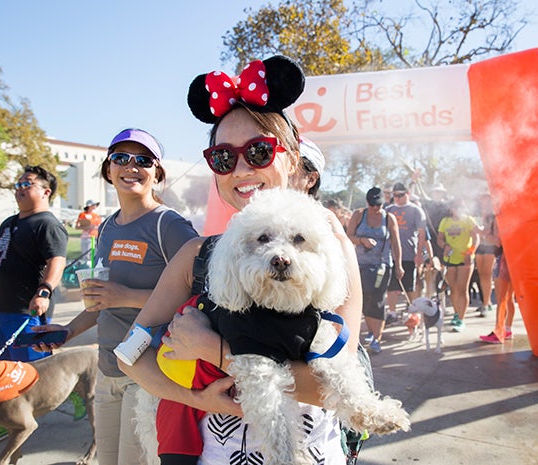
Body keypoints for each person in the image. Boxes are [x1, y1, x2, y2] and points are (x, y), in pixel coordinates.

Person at [119, 55, 362, 465]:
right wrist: (192, 396)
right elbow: (131, 355)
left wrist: (215, 350)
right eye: (224, 158)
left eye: (260, 151)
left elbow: (331, 385)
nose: (242, 169)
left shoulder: (330, 248)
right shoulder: (195, 255)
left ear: (292, 156)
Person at [34, 128, 199, 465]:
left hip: (151, 371)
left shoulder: (168, 225)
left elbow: (197, 297)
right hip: (107, 369)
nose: (131, 166)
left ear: (157, 173)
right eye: (120, 158)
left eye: (143, 160)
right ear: (108, 170)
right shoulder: (108, 227)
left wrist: (126, 295)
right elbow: (101, 302)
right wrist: (66, 333)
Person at [0, 165, 68, 446]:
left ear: (45, 191)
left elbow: (56, 261)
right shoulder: (10, 221)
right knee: (0, 366)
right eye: (18, 183)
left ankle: (70, 392)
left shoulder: (47, 224)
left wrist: (44, 292)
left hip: (21, 309)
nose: (20, 188)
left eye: (27, 183)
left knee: (34, 367)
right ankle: (7, 414)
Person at [347, 187, 403, 354]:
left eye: (378, 205)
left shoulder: (389, 218)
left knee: (377, 300)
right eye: (372, 205)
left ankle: (377, 338)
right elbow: (348, 237)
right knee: (364, 300)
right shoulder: (358, 214)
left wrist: (398, 265)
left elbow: (396, 243)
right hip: (360, 265)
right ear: (367, 203)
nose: (375, 209)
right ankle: (371, 332)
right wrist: (362, 240)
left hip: (382, 265)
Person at [385, 182, 433, 323]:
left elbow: (422, 234)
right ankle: (392, 313)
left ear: (408, 194)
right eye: (395, 195)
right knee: (392, 286)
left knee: (411, 286)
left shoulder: (416, 210)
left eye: (400, 195)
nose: (398, 198)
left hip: (409, 255)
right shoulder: (389, 209)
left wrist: (419, 254)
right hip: (390, 255)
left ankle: (414, 313)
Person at [437, 198, 481, 332]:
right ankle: (456, 313)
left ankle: (461, 319)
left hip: (465, 259)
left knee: (462, 289)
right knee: (453, 289)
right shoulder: (445, 221)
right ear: (451, 209)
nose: (458, 210)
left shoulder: (468, 220)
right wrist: (444, 245)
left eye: (461, 207)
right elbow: (440, 239)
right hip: (449, 259)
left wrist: (471, 251)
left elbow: (476, 237)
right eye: (456, 208)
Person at [479, 217, 515, 344]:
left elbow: (498, 241)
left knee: (501, 299)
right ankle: (507, 329)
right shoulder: (511, 219)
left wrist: (486, 234)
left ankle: (499, 331)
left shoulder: (500, 219)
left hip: (503, 260)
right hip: (513, 259)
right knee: (508, 298)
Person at [473, 194, 498, 318]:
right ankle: (485, 301)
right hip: (479, 247)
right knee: (481, 274)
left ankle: (486, 302)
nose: (484, 203)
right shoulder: (477, 215)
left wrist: (481, 232)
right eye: (483, 200)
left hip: (490, 247)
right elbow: (474, 230)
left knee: (487, 274)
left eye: (487, 200)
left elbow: (489, 232)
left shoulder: (493, 216)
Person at [75, 198, 102, 263]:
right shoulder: (83, 214)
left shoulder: (96, 216)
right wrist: (88, 227)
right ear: (89, 205)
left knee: (95, 255)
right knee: (86, 256)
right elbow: (77, 226)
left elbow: (99, 226)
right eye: (94, 204)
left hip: (96, 238)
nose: (95, 206)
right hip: (87, 237)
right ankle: (86, 269)